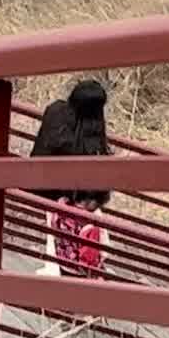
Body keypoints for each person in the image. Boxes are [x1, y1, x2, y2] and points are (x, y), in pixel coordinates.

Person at [28, 77, 113, 277]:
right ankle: (83, 265)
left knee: (67, 223)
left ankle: (68, 263)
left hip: (38, 182)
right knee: (90, 221)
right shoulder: (86, 134)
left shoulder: (55, 110)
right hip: (59, 194)